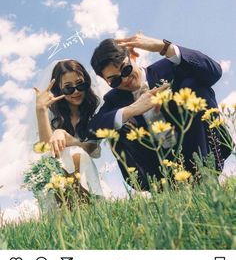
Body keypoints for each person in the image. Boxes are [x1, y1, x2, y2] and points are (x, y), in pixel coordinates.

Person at [85, 33, 231, 190]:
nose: (125, 79)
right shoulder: (114, 99)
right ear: (105, 81)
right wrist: (132, 110)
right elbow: (93, 128)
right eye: (114, 80)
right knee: (114, 125)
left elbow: (214, 72)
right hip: (158, 166)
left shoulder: (168, 67)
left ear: (132, 56)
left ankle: (206, 175)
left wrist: (164, 47)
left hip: (198, 145)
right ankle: (161, 189)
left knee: (193, 83)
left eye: (126, 69)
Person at [34, 59, 109, 197]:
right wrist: (41, 110)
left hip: (83, 169)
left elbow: (91, 148)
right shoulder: (52, 113)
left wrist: (67, 137)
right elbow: (46, 150)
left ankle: (82, 198)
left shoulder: (93, 112)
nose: (76, 91)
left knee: (77, 152)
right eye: (68, 88)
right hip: (57, 174)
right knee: (66, 153)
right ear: (59, 90)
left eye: (80, 85)